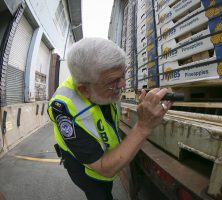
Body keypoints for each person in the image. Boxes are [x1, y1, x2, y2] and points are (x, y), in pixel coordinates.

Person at [47, 37, 172, 200]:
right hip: (88, 173)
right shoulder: (63, 108)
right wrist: (143, 126)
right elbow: (103, 167)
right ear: (84, 89)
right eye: (114, 82)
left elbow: (121, 93)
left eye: (123, 75)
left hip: (107, 159)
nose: (122, 84)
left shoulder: (100, 84)